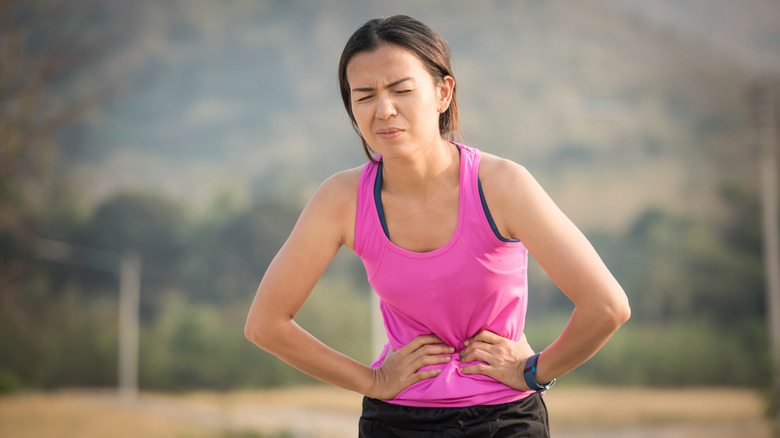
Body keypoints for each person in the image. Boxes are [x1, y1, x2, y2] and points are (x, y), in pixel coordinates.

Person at [245, 15, 630, 437]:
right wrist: (371, 380)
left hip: (504, 420)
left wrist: (536, 372)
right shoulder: (341, 199)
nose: (384, 109)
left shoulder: (501, 185)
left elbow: (607, 307)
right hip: (393, 421)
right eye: (365, 95)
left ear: (443, 92)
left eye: (401, 90)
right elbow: (266, 323)